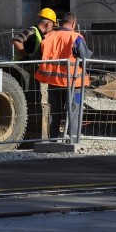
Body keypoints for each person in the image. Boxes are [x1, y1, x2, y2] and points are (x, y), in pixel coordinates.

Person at [35, 12, 92, 140]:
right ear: (73, 24)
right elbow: (84, 57)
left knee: (55, 113)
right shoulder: (76, 37)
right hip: (74, 83)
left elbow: (40, 55)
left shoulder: (49, 36)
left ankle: (53, 139)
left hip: (53, 81)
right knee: (74, 111)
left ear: (60, 23)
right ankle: (73, 139)